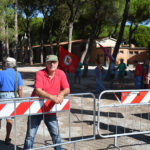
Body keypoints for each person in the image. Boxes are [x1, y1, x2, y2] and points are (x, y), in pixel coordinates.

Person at [24, 55, 70, 150]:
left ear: (57, 63)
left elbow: (67, 89)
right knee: (30, 136)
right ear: (46, 63)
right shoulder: (40, 73)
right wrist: (52, 97)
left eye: (54, 62)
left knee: (56, 135)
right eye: (50, 62)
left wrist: (61, 94)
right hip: (35, 109)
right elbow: (38, 90)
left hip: (50, 110)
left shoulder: (61, 73)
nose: (52, 64)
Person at [0, 57, 23, 144]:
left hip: (1, 95)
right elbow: (20, 88)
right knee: (9, 119)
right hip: (12, 96)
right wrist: (20, 99)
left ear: (6, 64)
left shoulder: (1, 73)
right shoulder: (17, 74)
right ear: (14, 65)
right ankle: (7, 138)